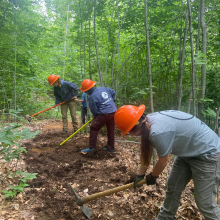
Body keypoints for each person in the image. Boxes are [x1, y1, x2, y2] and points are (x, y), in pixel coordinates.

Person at [114, 105, 220, 220]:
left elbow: (164, 160)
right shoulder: (147, 123)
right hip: (187, 152)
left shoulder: (157, 132)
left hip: (208, 154)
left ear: (133, 130)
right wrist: (140, 175)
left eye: (128, 132)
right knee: (173, 187)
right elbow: (146, 154)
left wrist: (152, 176)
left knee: (205, 203)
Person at [80, 79, 117, 154]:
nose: (86, 93)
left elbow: (94, 110)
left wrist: (96, 117)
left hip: (104, 113)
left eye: (86, 91)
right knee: (111, 129)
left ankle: (91, 148)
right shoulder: (103, 88)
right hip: (113, 111)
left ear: (89, 89)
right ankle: (110, 148)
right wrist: (111, 102)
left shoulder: (92, 97)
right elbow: (113, 92)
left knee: (93, 127)